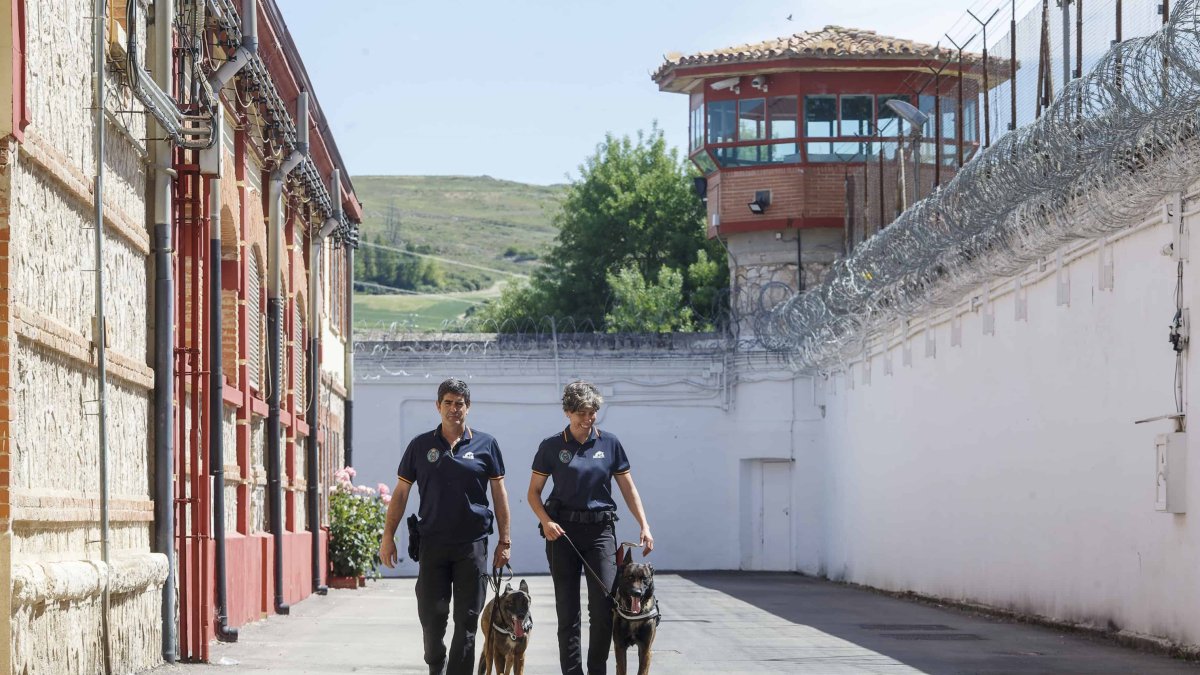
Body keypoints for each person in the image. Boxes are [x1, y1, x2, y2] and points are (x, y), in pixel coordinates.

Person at [380, 378, 511, 675]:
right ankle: (436, 663)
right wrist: (388, 536)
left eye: (460, 403)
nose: (454, 409)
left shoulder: (486, 445)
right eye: (448, 403)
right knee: (432, 617)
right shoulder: (420, 445)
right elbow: (401, 494)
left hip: (472, 545)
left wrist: (505, 541)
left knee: (467, 622)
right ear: (438, 406)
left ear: (468, 407)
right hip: (433, 544)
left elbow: (499, 495)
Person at [528, 381, 654, 675]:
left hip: (600, 533)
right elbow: (533, 493)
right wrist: (546, 521)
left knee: (602, 609)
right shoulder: (551, 446)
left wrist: (644, 525)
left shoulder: (609, 443)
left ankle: (597, 670)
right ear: (568, 412)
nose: (587, 419)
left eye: (593, 412)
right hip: (562, 534)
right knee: (567, 611)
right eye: (581, 413)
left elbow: (628, 489)